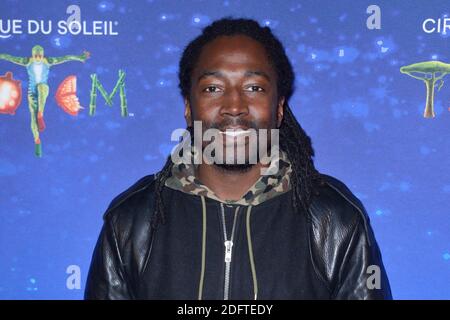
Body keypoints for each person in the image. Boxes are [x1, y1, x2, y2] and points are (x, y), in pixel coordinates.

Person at [85, 17, 392, 300]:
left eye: (254, 87)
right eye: (213, 88)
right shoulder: (132, 220)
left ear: (280, 107)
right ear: (189, 108)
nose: (234, 106)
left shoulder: (334, 219)